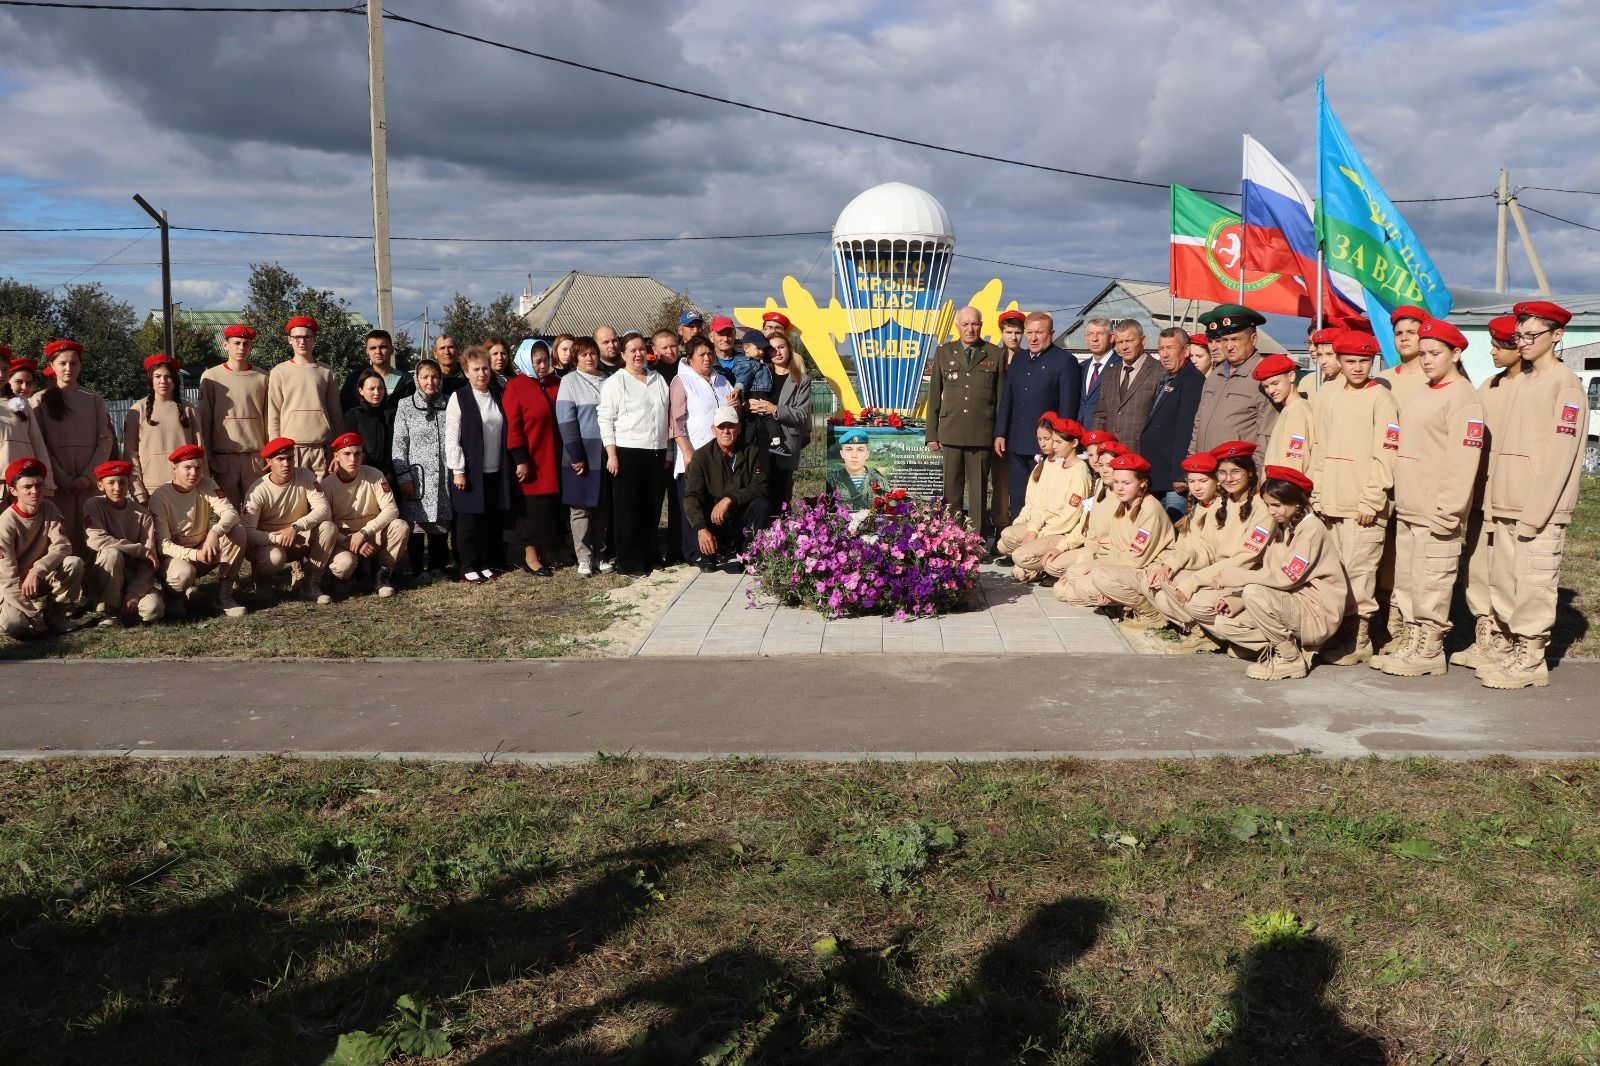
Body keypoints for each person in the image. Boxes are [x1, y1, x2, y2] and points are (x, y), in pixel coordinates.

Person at [1477, 300, 1589, 689]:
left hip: (1538, 509)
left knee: (1534, 584)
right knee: (1506, 582)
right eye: (1519, 335)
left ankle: (1531, 659)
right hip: (1506, 501)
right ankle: (1511, 647)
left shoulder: (1565, 385)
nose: (1522, 342)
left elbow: (1561, 455)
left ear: (1557, 336)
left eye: (1531, 335)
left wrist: (1537, 512)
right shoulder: (1520, 381)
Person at [1372, 318, 1483, 677]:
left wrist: (1448, 510)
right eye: (1422, 354)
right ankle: (1412, 639)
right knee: (1409, 579)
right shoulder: (1426, 391)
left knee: (1432, 579)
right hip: (1410, 506)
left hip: (1437, 509)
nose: (1426, 360)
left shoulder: (1463, 396)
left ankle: (1430, 649)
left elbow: (1462, 460)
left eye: (1435, 353)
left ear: (1456, 353)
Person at [1201, 466, 1348, 681]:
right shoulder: (1286, 526)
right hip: (1291, 604)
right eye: (1268, 505)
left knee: (1254, 591)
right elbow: (1270, 572)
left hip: (1315, 612)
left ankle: (1290, 659)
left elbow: (1287, 578)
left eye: (1277, 505)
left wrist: (1236, 576)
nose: (1271, 511)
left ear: (1296, 501)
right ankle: (1283, 646)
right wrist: (1238, 599)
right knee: (1225, 623)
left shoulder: (1311, 530)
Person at [1308, 329, 1397, 665]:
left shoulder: (1381, 398)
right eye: (1350, 361)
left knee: (1360, 574)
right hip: (1331, 501)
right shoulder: (1329, 395)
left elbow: (1386, 453)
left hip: (1363, 506)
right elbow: (1320, 447)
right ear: (1340, 362)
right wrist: (1317, 493)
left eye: (1364, 361)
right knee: (1336, 572)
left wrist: (1372, 501)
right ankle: (1335, 633)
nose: (1358, 368)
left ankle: (1358, 640)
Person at [1453, 314, 1524, 671]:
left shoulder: (1529, 387)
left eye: (1499, 346)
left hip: (1513, 494)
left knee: (1507, 570)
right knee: (1478, 566)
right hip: (1483, 492)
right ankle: (1486, 632)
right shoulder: (1489, 387)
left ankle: (1508, 639)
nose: (1493, 352)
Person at [1094, 450, 1223, 631]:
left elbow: (1206, 553)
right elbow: (1181, 547)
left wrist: (1165, 566)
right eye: (1192, 481)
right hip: (1169, 566)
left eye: (1203, 481)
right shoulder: (1198, 508)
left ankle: (1196, 629)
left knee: (1103, 577)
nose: (1197, 487)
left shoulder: (1220, 510)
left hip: (1200, 573)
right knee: (1078, 582)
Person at [1054, 452, 1176, 610]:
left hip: (1145, 567)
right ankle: (1113, 597)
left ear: (1142, 483)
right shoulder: (1124, 504)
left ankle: (1144, 608)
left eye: (1126, 483)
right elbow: (1115, 545)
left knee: (1084, 585)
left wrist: (1099, 567)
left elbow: (1136, 558)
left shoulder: (1150, 510)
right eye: (1116, 482)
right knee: (1065, 588)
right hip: (1120, 564)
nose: (1119, 488)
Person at [993, 311, 1082, 520]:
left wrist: (1060, 443)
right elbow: (1008, 400)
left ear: (1051, 333)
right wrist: (1000, 433)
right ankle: (1015, 543)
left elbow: (1068, 407)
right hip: (1016, 441)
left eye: (1038, 333)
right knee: (1017, 497)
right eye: (1029, 332)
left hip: (1047, 445)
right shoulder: (1019, 359)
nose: (1033, 338)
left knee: (1043, 499)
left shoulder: (1065, 361)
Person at [926, 306, 1006, 535]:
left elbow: (1000, 399)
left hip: (982, 434)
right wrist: (932, 434)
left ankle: (976, 540)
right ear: (957, 326)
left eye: (975, 324)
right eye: (965, 324)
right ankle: (952, 539)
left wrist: (999, 433)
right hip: (951, 433)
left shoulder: (994, 353)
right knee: (951, 492)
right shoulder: (944, 352)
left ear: (981, 325)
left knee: (979, 491)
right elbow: (934, 396)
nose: (970, 329)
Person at [33, 339, 113, 559]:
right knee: (61, 534)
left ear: (80, 365)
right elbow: (39, 445)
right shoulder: (39, 401)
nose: (68, 368)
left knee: (92, 534)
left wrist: (87, 477)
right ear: (52, 366)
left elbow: (105, 441)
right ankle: (65, 585)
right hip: (57, 484)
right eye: (62, 363)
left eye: (73, 363)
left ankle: (97, 582)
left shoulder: (94, 400)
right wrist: (63, 477)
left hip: (88, 483)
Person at [598, 331, 670, 575]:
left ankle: (649, 554)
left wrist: (668, 450)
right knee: (629, 509)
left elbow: (666, 417)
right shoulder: (615, 382)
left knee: (651, 508)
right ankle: (629, 561)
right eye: (633, 350)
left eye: (642, 349)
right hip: (628, 451)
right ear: (623, 355)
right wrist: (612, 454)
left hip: (656, 451)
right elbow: (605, 418)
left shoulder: (657, 379)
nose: (639, 354)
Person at [148, 444, 247, 617]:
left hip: (202, 549)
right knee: (183, 575)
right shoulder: (160, 497)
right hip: (175, 559)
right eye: (187, 467)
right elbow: (163, 545)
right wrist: (195, 555)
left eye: (198, 467)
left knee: (238, 532)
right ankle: (174, 596)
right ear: (174, 468)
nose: (194, 473)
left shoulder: (206, 484)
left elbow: (231, 513)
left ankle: (223, 596)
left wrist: (215, 532)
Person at [445, 345, 513, 583]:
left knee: (488, 520)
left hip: (494, 468)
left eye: (485, 368)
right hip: (469, 471)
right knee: (468, 522)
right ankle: (467, 566)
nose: (482, 373)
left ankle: (484, 562)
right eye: (476, 369)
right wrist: (458, 470)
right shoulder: (459, 397)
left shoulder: (497, 395)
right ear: (465, 372)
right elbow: (452, 437)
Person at [242, 436, 337, 603]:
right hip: (269, 543)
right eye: (280, 459)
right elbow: (247, 532)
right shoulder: (258, 490)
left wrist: (296, 527)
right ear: (269, 462)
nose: (286, 464)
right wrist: (276, 538)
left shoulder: (305, 475)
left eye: (290, 458)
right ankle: (262, 579)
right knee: (275, 558)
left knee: (328, 528)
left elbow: (323, 509)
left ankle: (310, 584)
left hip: (297, 536)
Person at [668, 335, 735, 565]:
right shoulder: (682, 381)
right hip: (694, 453)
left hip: (720, 457)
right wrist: (687, 452)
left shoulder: (722, 381)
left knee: (714, 502)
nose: (707, 358)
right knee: (693, 503)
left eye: (709, 354)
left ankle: (717, 548)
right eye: (701, 354)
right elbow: (676, 422)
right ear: (690, 358)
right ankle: (694, 551)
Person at [1002, 417, 1092, 583]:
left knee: (1020, 557)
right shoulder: (1059, 465)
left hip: (1060, 532)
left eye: (1058, 442)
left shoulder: (1079, 471)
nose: (1053, 446)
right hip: (1046, 526)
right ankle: (1039, 565)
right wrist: (1034, 529)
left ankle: (1048, 566)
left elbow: (1070, 517)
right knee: (1008, 542)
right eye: (1054, 441)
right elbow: (1040, 504)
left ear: (1074, 443)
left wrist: (1041, 533)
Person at [0, 457, 83, 636]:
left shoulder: (50, 508)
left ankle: (55, 615)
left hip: (37, 577)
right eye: (27, 487)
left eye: (39, 485)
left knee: (73, 563)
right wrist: (34, 616)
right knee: (15, 626)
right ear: (13, 490)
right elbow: (8, 579)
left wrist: (37, 570)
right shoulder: (5, 524)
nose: (35, 491)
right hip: (13, 584)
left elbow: (63, 546)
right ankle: (28, 614)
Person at [503, 342, 564, 577]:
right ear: (526, 360)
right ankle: (531, 557)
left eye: (545, 360)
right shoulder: (516, 387)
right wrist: (520, 459)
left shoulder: (556, 383)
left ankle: (548, 550)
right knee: (532, 510)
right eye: (537, 361)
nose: (542, 365)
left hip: (555, 456)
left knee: (550, 507)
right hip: (532, 458)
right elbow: (514, 426)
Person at [322, 431, 409, 598]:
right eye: (346, 454)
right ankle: (343, 578)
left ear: (363, 455)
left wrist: (363, 533)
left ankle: (382, 575)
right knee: (344, 564)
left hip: (369, 534)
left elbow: (391, 509)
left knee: (400, 526)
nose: (353, 459)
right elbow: (325, 524)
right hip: (343, 539)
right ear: (336, 456)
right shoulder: (327, 485)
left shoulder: (375, 475)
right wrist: (350, 541)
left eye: (357, 454)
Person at [684, 406, 770, 572]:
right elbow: (691, 496)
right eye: (721, 427)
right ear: (713, 429)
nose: (726, 431)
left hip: (740, 516)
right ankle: (708, 555)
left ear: (739, 428)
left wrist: (729, 499)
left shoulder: (752, 452)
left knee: (762, 505)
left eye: (731, 426)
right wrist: (701, 529)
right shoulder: (701, 457)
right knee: (697, 507)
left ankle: (749, 554)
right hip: (714, 521)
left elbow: (761, 486)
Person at [390, 359, 453, 581]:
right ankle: (418, 569)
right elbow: (399, 444)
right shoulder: (406, 405)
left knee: (440, 524)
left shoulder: (449, 403)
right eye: (425, 377)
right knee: (416, 525)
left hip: (444, 475)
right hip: (417, 476)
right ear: (417, 379)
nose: (430, 381)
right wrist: (403, 475)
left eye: (435, 376)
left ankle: (438, 567)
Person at [556, 337, 612, 577]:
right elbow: (566, 421)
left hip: (606, 453)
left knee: (602, 508)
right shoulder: (569, 382)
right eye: (583, 355)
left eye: (592, 353)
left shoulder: (609, 380)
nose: (589, 358)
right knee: (580, 510)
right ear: (575, 358)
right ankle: (584, 558)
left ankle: (600, 555)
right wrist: (576, 456)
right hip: (579, 454)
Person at [83, 459, 163, 625]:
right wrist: (139, 550)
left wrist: (134, 593)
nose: (117, 488)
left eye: (122, 482)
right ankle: (110, 610)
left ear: (129, 484)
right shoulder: (93, 505)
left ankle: (126, 603)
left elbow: (150, 560)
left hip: (131, 575)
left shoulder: (142, 514)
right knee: (111, 553)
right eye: (111, 483)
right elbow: (96, 540)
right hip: (105, 572)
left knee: (154, 610)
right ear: (100, 485)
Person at [1188, 305, 1274, 455]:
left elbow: (1266, 435)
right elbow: (1198, 424)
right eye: (1225, 340)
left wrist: (1256, 474)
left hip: (1236, 473)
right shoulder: (1215, 375)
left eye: (1235, 339)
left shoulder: (1264, 375)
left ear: (1253, 339)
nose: (1229, 346)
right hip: (1206, 470)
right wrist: (1192, 460)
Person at [198, 324, 269, 505]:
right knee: (228, 512)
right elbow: (205, 419)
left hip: (255, 457)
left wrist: (270, 452)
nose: (241, 348)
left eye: (246, 344)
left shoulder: (263, 377)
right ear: (225, 345)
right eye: (236, 343)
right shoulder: (211, 377)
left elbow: (269, 417)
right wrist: (207, 456)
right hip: (223, 458)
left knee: (256, 509)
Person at [1141, 327, 1207, 520]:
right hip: (1157, 473)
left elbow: (1186, 428)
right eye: (1161, 348)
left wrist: (1180, 472)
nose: (1164, 354)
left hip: (1173, 478)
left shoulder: (1192, 380)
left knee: (1174, 526)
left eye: (1170, 348)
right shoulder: (1169, 378)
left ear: (1186, 351)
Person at [267, 315, 339, 476]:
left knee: (323, 496)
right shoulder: (279, 372)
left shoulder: (326, 372)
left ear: (314, 340)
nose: (302, 341)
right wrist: (276, 447)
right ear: (289, 340)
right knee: (296, 497)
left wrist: (338, 447)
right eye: (297, 337)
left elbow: (336, 413)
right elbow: (273, 413)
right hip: (291, 449)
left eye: (307, 337)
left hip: (323, 447)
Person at [751, 331, 813, 518]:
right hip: (758, 439)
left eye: (781, 347)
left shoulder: (801, 380)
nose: (777, 352)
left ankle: (778, 536)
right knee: (759, 489)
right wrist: (750, 405)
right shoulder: (759, 374)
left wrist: (775, 409)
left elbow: (801, 414)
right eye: (772, 349)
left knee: (779, 491)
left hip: (784, 442)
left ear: (789, 349)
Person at [123, 353, 200, 504]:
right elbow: (130, 454)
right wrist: (139, 493)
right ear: (150, 379)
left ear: (175, 380)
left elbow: (199, 450)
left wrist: (201, 484)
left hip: (186, 486)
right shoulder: (137, 410)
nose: (163, 381)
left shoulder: (189, 410)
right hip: (152, 489)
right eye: (157, 376)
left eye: (168, 376)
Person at [1092, 320, 1161, 454]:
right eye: (1120, 342)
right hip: (1110, 454)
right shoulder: (1110, 374)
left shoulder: (1159, 372)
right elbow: (1101, 414)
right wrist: (1095, 446)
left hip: (1142, 454)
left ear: (1143, 340)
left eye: (1129, 341)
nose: (1124, 347)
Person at [990, 310, 1027, 538]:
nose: (1013, 337)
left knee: (1020, 484)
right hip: (994, 429)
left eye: (1017, 332)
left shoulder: (1026, 358)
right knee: (1000, 483)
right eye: (1008, 332)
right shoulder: (994, 358)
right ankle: (1001, 526)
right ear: (1001, 333)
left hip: (1019, 429)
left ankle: (1019, 527)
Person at [0, 360, 52, 503]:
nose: (0, 374)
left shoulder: (23, 405)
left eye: (4, 369)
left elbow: (38, 444)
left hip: (24, 484)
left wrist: (47, 483)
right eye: (19, 381)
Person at [1254, 352, 1315, 474]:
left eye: (1275, 383)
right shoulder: (1290, 409)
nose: (1271, 390)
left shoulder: (1296, 412)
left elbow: (1294, 460)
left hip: (1284, 489)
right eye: (1265, 386)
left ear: (1291, 376)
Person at [340, 367, 395, 485]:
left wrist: (390, 473)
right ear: (361, 390)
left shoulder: (391, 414)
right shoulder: (354, 415)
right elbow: (350, 448)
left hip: (391, 477)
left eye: (380, 388)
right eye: (371, 389)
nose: (376, 393)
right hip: (363, 477)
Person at [339, 329, 403, 414]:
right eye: (373, 348)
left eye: (383, 347)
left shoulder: (406, 381)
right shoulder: (354, 379)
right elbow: (344, 409)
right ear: (367, 352)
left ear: (391, 349)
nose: (378, 352)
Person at [1378, 305, 1429, 409]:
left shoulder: (1435, 377)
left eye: (1411, 332)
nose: (1404, 338)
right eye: (1398, 333)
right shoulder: (1381, 379)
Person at [827, 427, 890, 510]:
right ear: (842, 454)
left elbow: (887, 509)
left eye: (860, 450)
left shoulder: (878, 479)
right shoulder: (831, 480)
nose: (854, 455)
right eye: (849, 449)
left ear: (867, 454)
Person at [707, 316, 768, 397]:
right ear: (711, 337)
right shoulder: (705, 363)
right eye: (720, 334)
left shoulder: (749, 361)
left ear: (734, 335)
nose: (725, 338)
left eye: (729, 334)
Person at [1078, 317, 1114, 427]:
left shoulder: (1120, 366)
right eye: (1090, 334)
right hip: (1080, 432)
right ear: (1085, 338)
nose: (1094, 339)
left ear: (1112, 338)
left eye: (1100, 334)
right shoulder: (1081, 367)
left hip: (1105, 431)